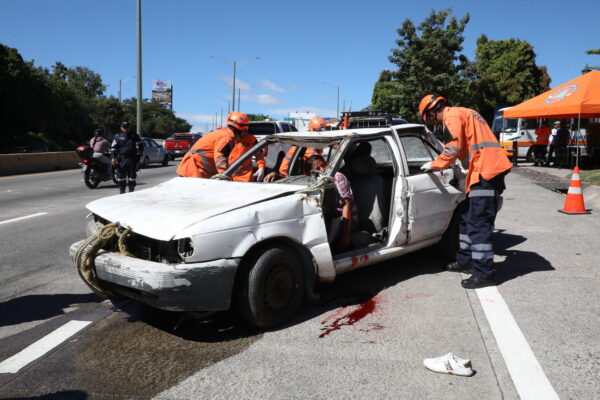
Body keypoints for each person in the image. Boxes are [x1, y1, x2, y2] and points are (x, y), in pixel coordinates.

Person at [418, 94, 512, 289]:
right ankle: (465, 260)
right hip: (484, 170)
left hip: (485, 173)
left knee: (479, 225)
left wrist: (435, 165)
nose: (433, 123)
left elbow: (453, 148)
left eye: (429, 119)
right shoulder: (465, 112)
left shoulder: (451, 116)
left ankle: (484, 274)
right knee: (466, 218)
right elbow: (468, 145)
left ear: (431, 113)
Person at [305, 154, 358, 251]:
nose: (321, 170)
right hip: (330, 216)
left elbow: (346, 205)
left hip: (345, 219)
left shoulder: (337, 177)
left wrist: (346, 236)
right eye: (316, 170)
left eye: (322, 167)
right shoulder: (317, 180)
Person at [176, 111, 248, 178]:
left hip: (197, 170)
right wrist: (224, 174)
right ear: (239, 130)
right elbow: (220, 157)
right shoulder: (227, 136)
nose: (244, 135)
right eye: (244, 131)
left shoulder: (225, 134)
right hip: (193, 169)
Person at [264, 116, 326, 182]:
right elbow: (316, 160)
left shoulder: (313, 142)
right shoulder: (308, 143)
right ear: (313, 129)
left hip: (298, 173)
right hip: (288, 173)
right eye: (319, 131)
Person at [111, 121, 143, 194]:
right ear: (121, 128)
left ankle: (131, 192)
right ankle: (122, 192)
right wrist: (113, 158)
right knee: (121, 178)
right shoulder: (117, 137)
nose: (126, 128)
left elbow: (141, 145)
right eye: (124, 127)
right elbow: (113, 148)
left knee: (132, 178)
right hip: (121, 160)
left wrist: (140, 155)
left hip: (132, 160)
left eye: (127, 127)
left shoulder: (134, 136)